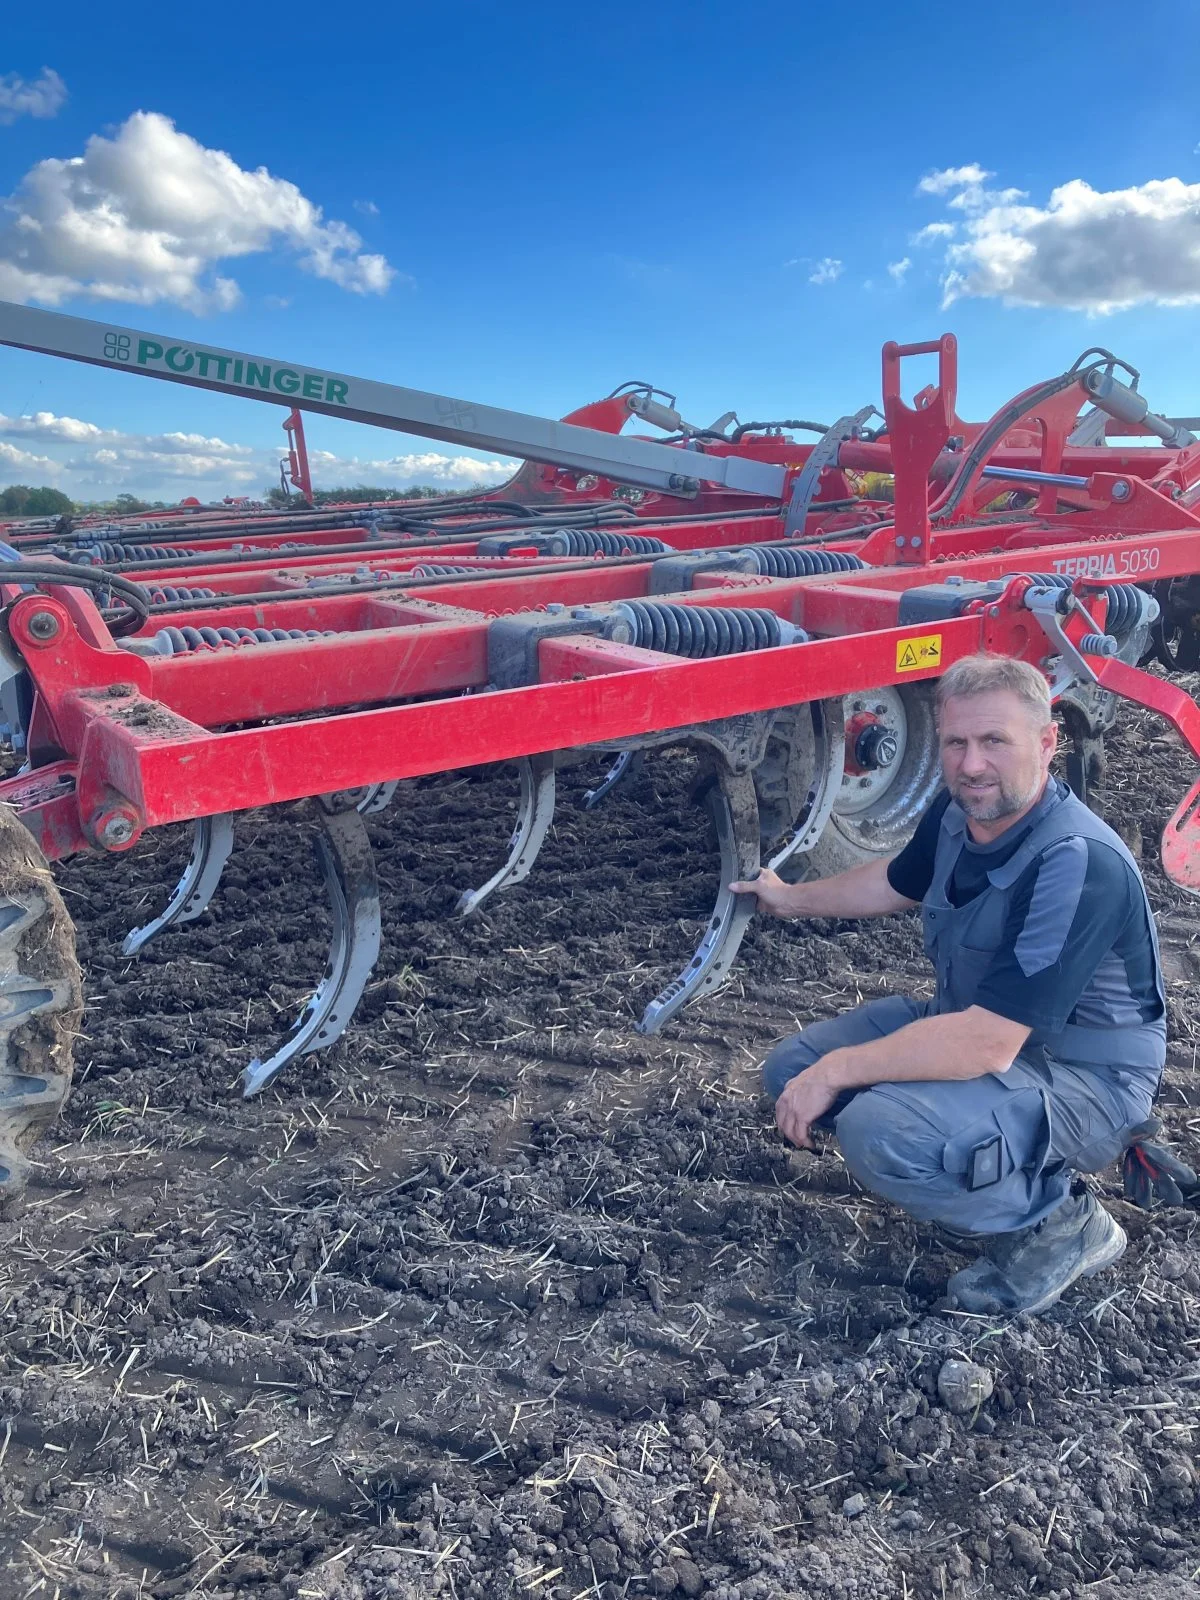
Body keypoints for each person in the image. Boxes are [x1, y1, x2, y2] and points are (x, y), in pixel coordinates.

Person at [731, 653, 1166, 1315]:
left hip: (1084, 1079)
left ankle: (1059, 1226)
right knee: (795, 1068)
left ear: (1047, 742)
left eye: (995, 741)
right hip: (983, 1028)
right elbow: (894, 882)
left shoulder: (1076, 863)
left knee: (878, 1126)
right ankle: (982, 1163)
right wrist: (788, 898)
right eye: (956, 743)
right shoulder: (960, 811)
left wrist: (846, 1069)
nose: (970, 765)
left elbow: (988, 1044)